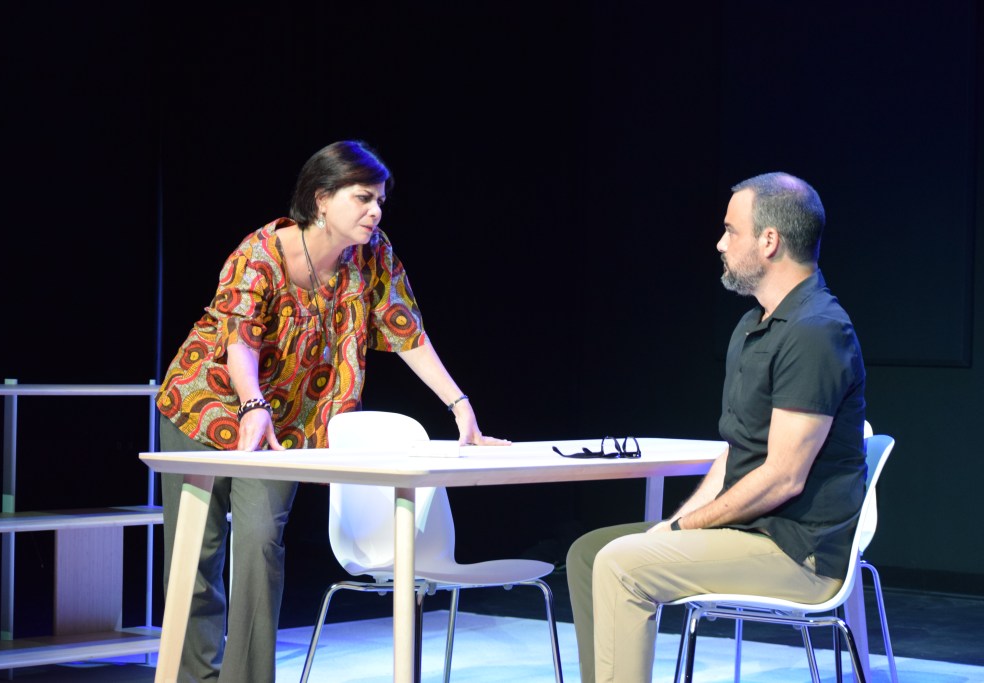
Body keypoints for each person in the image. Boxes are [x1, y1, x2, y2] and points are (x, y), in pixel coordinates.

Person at [155, 140, 508, 683]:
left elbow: (407, 331)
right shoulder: (261, 252)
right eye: (363, 197)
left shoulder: (372, 255)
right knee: (196, 553)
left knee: (261, 544)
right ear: (321, 198)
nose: (376, 211)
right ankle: (192, 677)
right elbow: (240, 339)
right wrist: (252, 404)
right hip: (205, 402)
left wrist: (460, 405)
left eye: (381, 200)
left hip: (283, 424)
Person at [566, 172, 867, 683]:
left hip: (796, 553)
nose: (720, 243)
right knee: (589, 554)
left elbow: (782, 477)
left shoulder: (816, 331)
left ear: (769, 241)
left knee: (621, 564)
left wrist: (683, 529)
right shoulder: (755, 326)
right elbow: (737, 453)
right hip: (750, 532)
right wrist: (678, 522)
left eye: (731, 230)